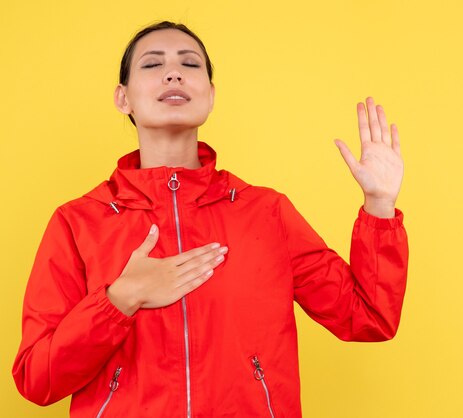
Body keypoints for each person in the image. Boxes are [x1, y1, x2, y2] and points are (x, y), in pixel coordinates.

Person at [13, 21, 408, 418]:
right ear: (123, 98)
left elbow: (367, 317)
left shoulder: (266, 212)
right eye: (152, 65)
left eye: (190, 64)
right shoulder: (78, 222)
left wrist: (379, 204)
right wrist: (118, 300)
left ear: (211, 95)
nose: (174, 73)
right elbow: (37, 378)